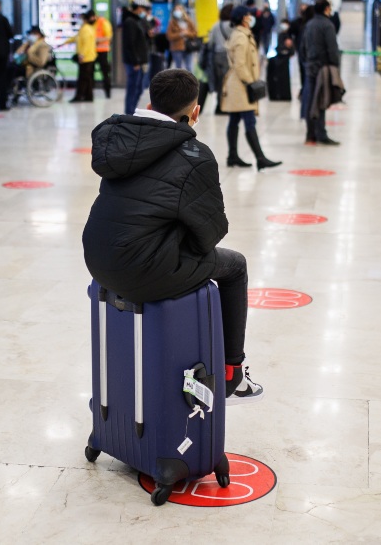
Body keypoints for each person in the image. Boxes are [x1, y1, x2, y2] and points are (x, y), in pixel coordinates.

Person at [82, 68, 264, 405]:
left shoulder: (117, 138)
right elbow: (210, 234)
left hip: (97, 258)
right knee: (235, 266)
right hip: (143, 269)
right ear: (194, 112)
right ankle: (232, 373)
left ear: (151, 104)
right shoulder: (195, 155)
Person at [223, 5, 281, 171]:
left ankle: (232, 156)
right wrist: (251, 82)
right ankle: (260, 158)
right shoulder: (241, 37)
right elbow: (240, 64)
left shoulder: (240, 34)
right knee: (249, 120)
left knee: (234, 120)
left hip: (238, 84)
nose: (251, 18)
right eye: (248, 15)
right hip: (241, 86)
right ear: (243, 18)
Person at [300, 0, 341, 145]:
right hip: (323, 67)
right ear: (326, 9)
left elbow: (303, 47)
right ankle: (321, 134)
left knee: (311, 99)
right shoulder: (327, 25)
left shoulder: (309, 24)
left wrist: (306, 62)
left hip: (310, 66)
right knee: (321, 100)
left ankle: (311, 134)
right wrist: (335, 66)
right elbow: (332, 49)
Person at [121, 0, 151, 115]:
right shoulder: (130, 22)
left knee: (138, 89)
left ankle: (132, 111)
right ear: (138, 8)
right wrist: (135, 62)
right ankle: (129, 113)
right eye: (144, 9)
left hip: (140, 60)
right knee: (133, 89)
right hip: (134, 62)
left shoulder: (137, 20)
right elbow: (130, 44)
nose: (144, 11)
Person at [204, 3, 234, 110]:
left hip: (217, 56)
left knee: (220, 80)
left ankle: (219, 105)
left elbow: (210, 42)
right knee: (228, 81)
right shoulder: (233, 25)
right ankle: (225, 105)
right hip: (229, 56)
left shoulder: (216, 25)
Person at [65, 10, 97, 103]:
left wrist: (82, 55)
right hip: (89, 57)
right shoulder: (85, 28)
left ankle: (79, 96)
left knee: (83, 79)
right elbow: (76, 38)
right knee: (87, 78)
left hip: (86, 58)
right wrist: (64, 43)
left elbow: (86, 44)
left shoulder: (86, 29)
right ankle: (88, 96)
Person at [166, 4, 197, 71]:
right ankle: (179, 81)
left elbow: (195, 33)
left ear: (182, 11)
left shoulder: (188, 21)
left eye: (179, 9)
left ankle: (189, 81)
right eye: (176, 10)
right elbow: (169, 36)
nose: (177, 11)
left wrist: (187, 33)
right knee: (178, 68)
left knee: (189, 67)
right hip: (176, 48)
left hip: (188, 47)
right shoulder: (172, 22)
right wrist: (180, 34)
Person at [94, 11, 113, 98]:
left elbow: (109, 36)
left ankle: (108, 92)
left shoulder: (103, 22)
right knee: (90, 73)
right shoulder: (92, 24)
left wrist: (97, 40)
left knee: (105, 73)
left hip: (103, 51)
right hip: (93, 52)